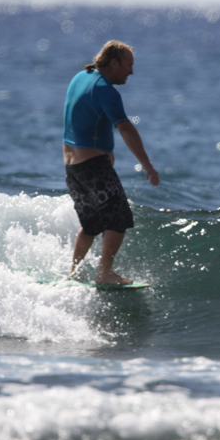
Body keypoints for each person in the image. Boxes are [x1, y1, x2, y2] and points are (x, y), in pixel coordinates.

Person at [62, 40, 159, 285]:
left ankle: (74, 272)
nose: (131, 72)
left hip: (73, 166)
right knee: (118, 218)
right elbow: (126, 129)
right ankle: (104, 274)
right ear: (113, 63)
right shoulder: (106, 89)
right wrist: (147, 164)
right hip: (93, 167)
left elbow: (81, 118)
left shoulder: (81, 77)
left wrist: (103, 148)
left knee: (91, 223)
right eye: (128, 66)